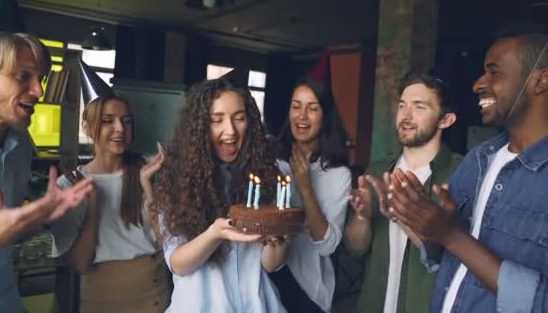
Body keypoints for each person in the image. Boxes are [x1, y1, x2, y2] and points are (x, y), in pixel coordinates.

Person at [387, 26, 548, 312]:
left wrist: (453, 235)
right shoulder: (477, 160)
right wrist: (427, 225)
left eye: (494, 72)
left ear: (541, 80)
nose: (477, 84)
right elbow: (444, 257)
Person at [0, 32, 94, 312]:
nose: (39, 91)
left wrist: (38, 219)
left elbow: (2, 237)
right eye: (23, 76)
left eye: (41, 78)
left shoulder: (19, 143)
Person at [150, 78, 288, 312]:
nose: (231, 130)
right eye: (217, 120)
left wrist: (278, 242)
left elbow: (270, 265)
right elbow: (178, 263)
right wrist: (214, 234)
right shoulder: (178, 181)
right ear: (199, 126)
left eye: (239, 118)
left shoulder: (265, 175)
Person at [344, 73, 461, 313]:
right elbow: (356, 248)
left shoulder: (460, 174)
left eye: (419, 107)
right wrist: (363, 217)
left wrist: (401, 214)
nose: (405, 116)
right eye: (402, 106)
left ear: (446, 120)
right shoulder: (378, 170)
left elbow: (455, 258)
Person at [50, 94, 170, 312]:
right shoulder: (69, 185)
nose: (120, 129)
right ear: (87, 128)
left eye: (126, 121)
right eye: (108, 121)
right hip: (100, 299)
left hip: (154, 294)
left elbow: (167, 242)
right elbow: (79, 264)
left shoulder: (148, 170)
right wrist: (93, 206)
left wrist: (148, 186)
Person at [271, 78, 352, 313]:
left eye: (312, 108)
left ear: (325, 116)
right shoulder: (273, 163)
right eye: (296, 106)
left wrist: (306, 188)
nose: (302, 115)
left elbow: (327, 247)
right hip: (265, 284)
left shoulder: (338, 174)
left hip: (307, 292)